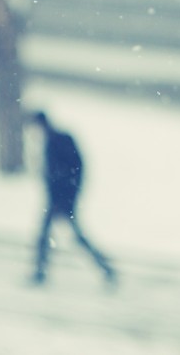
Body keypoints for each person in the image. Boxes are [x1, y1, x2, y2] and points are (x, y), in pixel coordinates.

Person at [29, 110, 115, 285]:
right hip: (58, 198)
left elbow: (73, 170)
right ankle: (104, 267)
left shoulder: (59, 141)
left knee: (55, 236)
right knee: (60, 236)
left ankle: (104, 268)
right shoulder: (54, 141)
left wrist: (65, 196)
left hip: (61, 199)